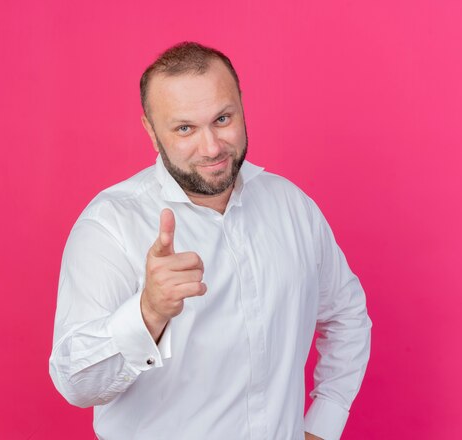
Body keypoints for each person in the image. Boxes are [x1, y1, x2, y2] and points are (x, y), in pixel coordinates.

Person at [49, 41, 372, 440]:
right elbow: (75, 383)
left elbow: (347, 314)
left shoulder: (292, 207)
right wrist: (148, 312)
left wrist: (323, 422)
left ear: (241, 106)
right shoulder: (110, 226)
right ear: (151, 131)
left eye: (222, 119)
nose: (212, 147)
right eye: (185, 128)